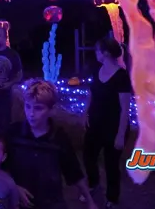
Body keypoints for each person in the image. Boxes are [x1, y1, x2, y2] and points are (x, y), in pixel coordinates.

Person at [5, 79, 97, 209]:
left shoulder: (59, 138)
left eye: (38, 108)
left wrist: (90, 201)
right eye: (28, 106)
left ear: (51, 110)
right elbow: (0, 166)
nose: (31, 114)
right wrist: (14, 186)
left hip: (51, 201)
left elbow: (73, 171)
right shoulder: (13, 133)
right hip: (19, 203)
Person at [82, 38, 132, 208]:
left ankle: (112, 197)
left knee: (111, 164)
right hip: (95, 124)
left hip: (113, 126)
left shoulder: (121, 76)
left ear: (106, 53)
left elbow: (125, 108)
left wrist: (120, 135)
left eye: (97, 50)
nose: (95, 53)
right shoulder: (97, 69)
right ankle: (93, 184)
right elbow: (91, 93)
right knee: (88, 156)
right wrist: (86, 113)